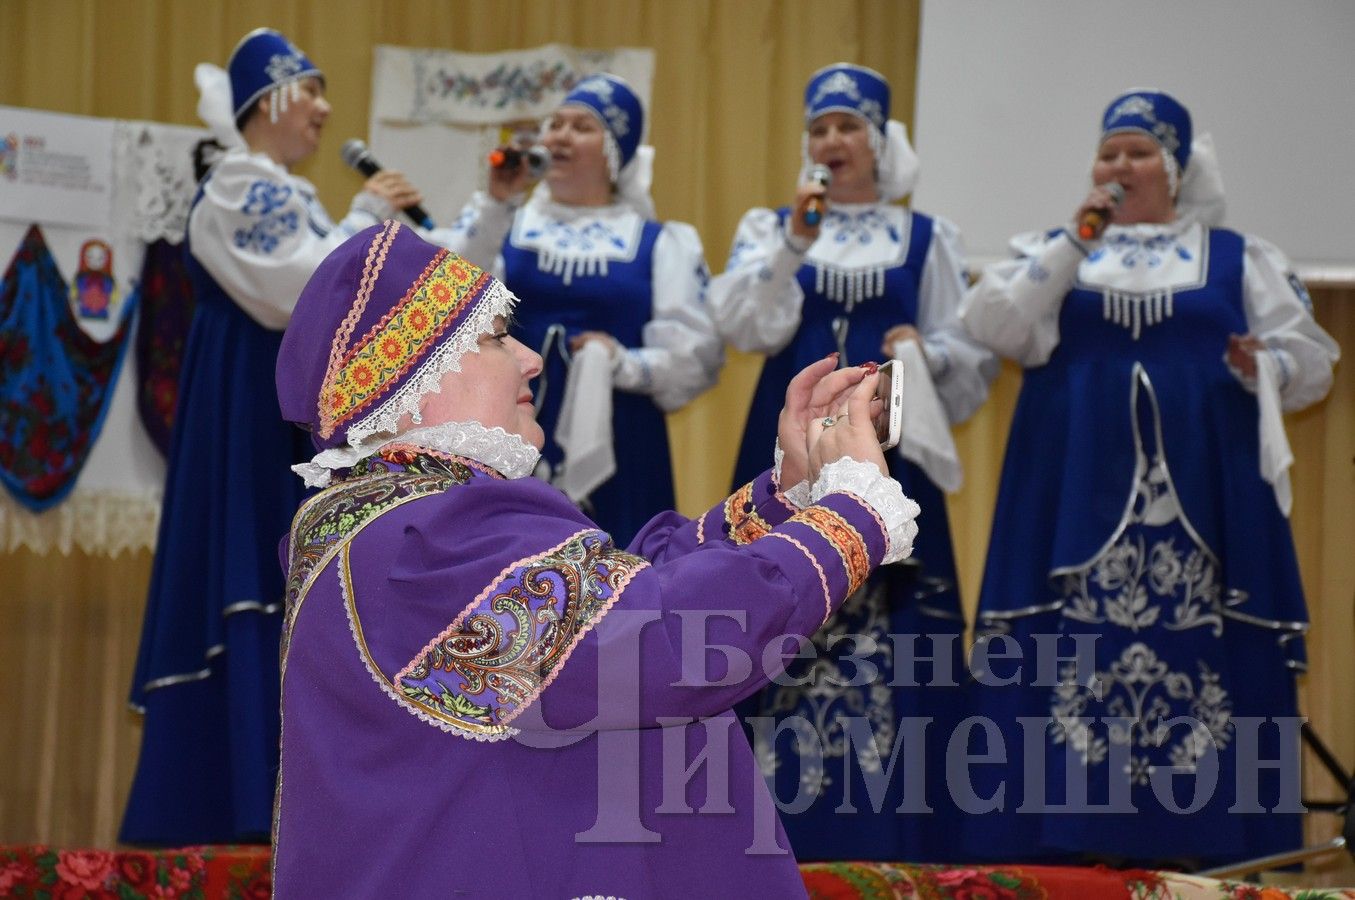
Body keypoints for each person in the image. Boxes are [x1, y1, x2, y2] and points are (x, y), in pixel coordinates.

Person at [269, 220, 920, 898]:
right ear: (411, 382)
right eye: (494, 337)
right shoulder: (424, 537)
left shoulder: (395, 520)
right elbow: (660, 641)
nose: (531, 358)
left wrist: (790, 496)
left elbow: (607, 611)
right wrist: (851, 513)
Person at [958, 89, 1340, 867]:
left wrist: (1260, 364)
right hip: (1068, 507)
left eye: (1137, 152)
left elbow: (1312, 361)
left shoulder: (1240, 256)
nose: (1119, 166)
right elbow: (993, 326)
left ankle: (1212, 854)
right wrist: (1074, 239)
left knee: (1205, 672)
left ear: (1173, 168)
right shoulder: (1053, 251)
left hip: (1205, 506)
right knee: (1063, 666)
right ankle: (1052, 858)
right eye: (1108, 152)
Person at [122, 28, 424, 844]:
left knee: (292, 580)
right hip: (248, 415)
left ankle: (293, 802)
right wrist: (365, 221)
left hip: (282, 413)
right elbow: (297, 292)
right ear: (267, 102)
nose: (325, 110)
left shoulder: (283, 192)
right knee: (254, 570)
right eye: (310, 91)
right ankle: (232, 803)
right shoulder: (237, 188)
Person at [706, 62, 997, 862]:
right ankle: (759, 832)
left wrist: (918, 350)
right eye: (819, 129)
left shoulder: (925, 236)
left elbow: (971, 360)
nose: (831, 142)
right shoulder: (775, 227)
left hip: (888, 458)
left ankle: (905, 833)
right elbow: (744, 326)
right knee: (772, 597)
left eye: (846, 128)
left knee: (896, 624)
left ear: (877, 141)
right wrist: (792, 244)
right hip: (789, 450)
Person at [442, 73, 722, 547]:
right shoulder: (507, 221)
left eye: (581, 127)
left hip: (622, 435)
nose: (560, 136)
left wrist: (621, 362)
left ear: (614, 152)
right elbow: (450, 294)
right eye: (557, 124)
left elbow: (696, 356)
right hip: (510, 416)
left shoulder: (660, 242)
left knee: (619, 556)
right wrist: (496, 201)